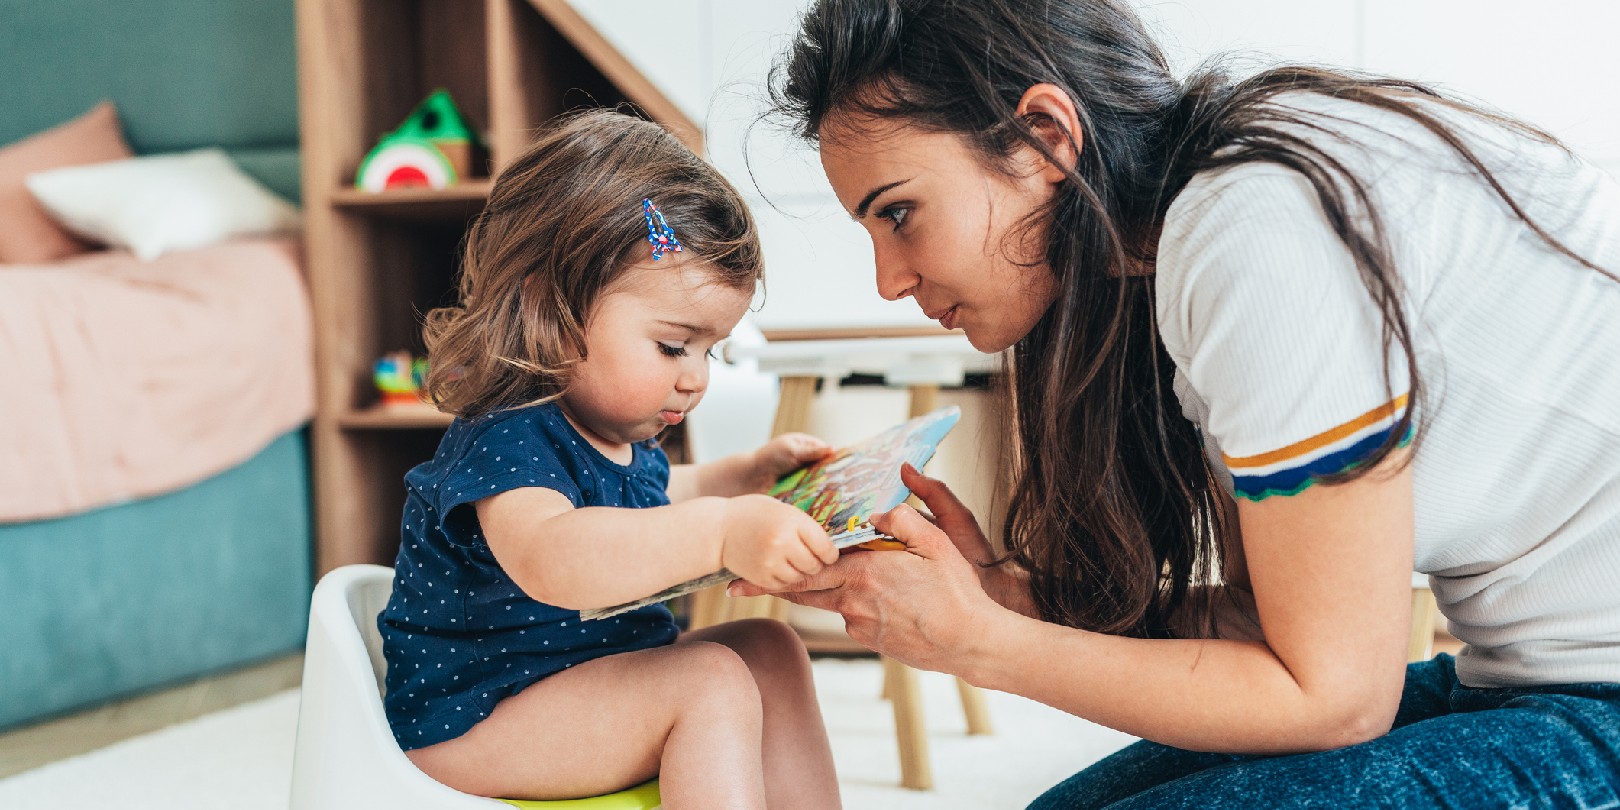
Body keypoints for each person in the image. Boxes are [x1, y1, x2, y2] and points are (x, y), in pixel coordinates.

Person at [731, 0, 1620, 806]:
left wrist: (979, 644)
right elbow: (1270, 633)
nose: (890, 279)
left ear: (1044, 136)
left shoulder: (1258, 233)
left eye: (898, 214)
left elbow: (1336, 700)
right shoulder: (1194, 232)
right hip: (1526, 680)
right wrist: (1005, 600)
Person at [377, 108, 842, 808]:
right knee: (709, 680)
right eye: (672, 346)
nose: (696, 378)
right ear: (551, 308)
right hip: (479, 717)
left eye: (708, 351)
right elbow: (557, 554)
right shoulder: (507, 434)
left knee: (770, 652)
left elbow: (653, 500)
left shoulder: (617, 438)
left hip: (580, 680)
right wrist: (722, 529)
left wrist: (742, 478)